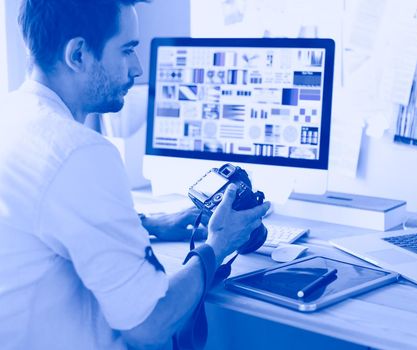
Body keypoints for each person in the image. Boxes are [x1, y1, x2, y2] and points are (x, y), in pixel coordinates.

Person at [0, 0, 270, 349]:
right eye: (127, 50)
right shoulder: (79, 152)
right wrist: (219, 243)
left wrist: (147, 223)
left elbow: (43, 220)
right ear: (78, 54)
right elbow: (149, 324)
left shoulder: (12, 117)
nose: (138, 68)